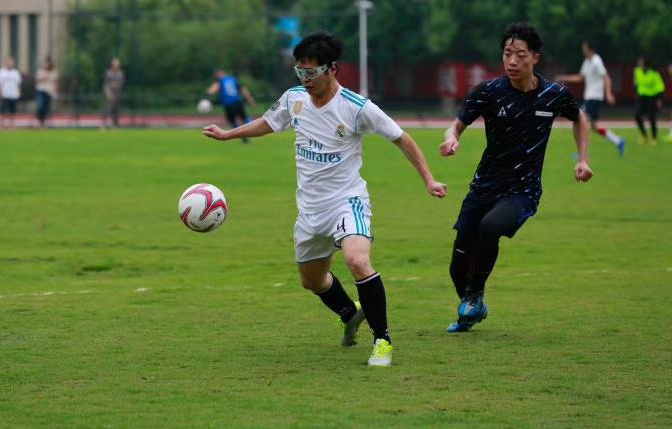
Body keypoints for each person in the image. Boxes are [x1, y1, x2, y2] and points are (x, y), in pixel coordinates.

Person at [203, 31, 447, 366]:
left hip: (347, 201)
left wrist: (429, 179)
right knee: (312, 281)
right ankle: (349, 313)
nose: (305, 79)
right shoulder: (294, 99)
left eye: (311, 72)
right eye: (300, 72)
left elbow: (402, 138)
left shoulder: (356, 108)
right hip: (310, 210)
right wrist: (228, 134)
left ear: (332, 69)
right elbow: (268, 122)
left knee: (357, 261)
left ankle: (382, 341)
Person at [439, 22, 592, 333]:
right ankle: (473, 308)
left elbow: (580, 118)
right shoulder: (488, 92)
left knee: (490, 228)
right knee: (457, 268)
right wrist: (452, 138)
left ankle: (475, 294)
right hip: (484, 187)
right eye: (507, 53)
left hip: (523, 190)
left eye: (520, 55)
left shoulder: (553, 95)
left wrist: (582, 159)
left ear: (535, 57)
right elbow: (456, 125)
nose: (512, 61)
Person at [556, 41, 625, 156]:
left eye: (584, 48)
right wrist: (564, 78)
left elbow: (606, 78)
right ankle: (618, 141)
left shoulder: (596, 61)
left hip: (594, 97)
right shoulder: (587, 61)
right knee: (594, 126)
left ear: (590, 49)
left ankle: (583, 154)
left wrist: (608, 93)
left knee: (580, 121)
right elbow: (580, 78)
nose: (583, 50)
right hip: (590, 97)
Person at [206, 69, 257, 143]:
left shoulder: (220, 81)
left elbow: (212, 90)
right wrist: (250, 99)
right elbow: (243, 89)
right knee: (244, 117)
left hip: (229, 104)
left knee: (232, 121)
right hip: (238, 102)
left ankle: (243, 136)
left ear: (220, 74)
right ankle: (255, 128)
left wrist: (208, 93)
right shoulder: (233, 79)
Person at [0, 58, 22, 128]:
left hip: (13, 94)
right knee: (2, 110)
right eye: (9, 62)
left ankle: (12, 125)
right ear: (6, 63)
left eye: (11, 62)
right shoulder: (1, 72)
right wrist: (0, 92)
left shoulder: (15, 72)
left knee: (12, 111)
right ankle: (0, 125)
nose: (10, 64)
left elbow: (18, 84)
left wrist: (18, 92)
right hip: (5, 94)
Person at [35, 57, 58, 128]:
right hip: (41, 90)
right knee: (40, 107)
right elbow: (37, 80)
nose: (46, 65)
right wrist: (45, 77)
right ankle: (40, 123)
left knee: (47, 108)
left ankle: (45, 123)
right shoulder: (40, 71)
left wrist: (55, 91)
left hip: (49, 92)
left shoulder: (53, 72)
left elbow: (55, 82)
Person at [101, 57, 125, 128]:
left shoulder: (121, 74)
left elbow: (121, 84)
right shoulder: (108, 73)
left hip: (117, 94)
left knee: (116, 111)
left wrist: (115, 85)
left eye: (117, 64)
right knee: (108, 109)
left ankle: (115, 125)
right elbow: (105, 85)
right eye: (115, 64)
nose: (116, 66)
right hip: (110, 94)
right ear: (112, 65)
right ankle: (103, 124)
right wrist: (108, 94)